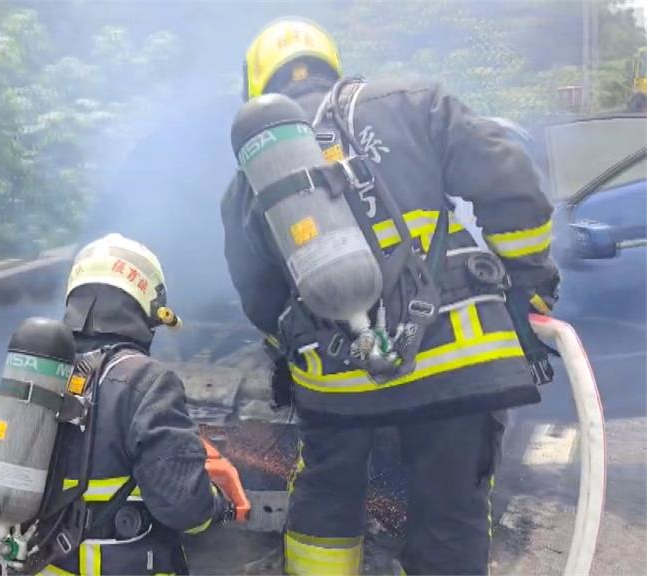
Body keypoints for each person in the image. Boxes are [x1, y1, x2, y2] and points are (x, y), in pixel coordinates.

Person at [220, 17, 561, 576]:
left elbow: (257, 296)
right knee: (451, 509)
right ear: (332, 61)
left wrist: (286, 355)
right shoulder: (411, 101)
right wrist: (529, 280)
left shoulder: (249, 179)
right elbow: (510, 180)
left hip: (339, 383)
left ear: (257, 85)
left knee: (327, 499)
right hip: (458, 359)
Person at [41, 232, 233, 576]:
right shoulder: (147, 382)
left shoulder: (36, 373)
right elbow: (185, 506)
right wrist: (218, 505)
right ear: (145, 306)